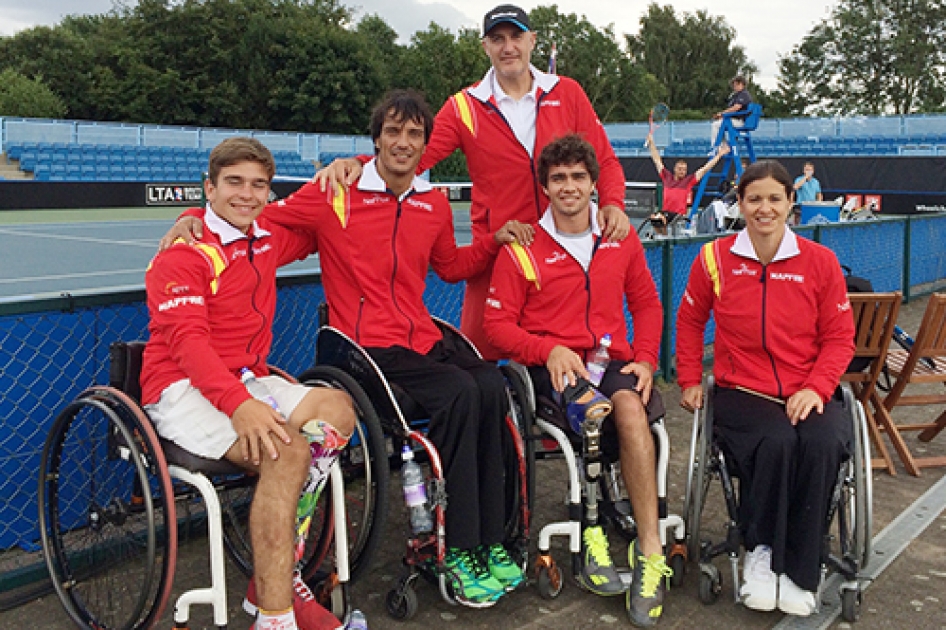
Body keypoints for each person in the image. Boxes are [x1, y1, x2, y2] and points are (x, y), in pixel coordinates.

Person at [160, 90, 532, 608]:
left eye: (414, 134)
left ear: (427, 145)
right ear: (376, 138)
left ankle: (495, 538)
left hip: (421, 336)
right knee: (460, 394)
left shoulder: (434, 202)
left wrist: (498, 242)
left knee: (493, 385)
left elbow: (448, 265)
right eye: (392, 132)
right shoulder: (335, 191)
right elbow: (259, 220)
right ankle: (458, 547)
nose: (403, 143)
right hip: (366, 345)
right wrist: (194, 224)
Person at [314, 3, 630, 360]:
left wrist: (612, 203)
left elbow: (604, 159)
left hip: (561, 246)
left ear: (532, 41)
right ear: (485, 47)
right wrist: (358, 163)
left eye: (516, 37)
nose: (507, 46)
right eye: (497, 39)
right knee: (483, 356)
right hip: (499, 249)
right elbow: (413, 154)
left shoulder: (566, 92)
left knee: (563, 353)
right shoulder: (463, 106)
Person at [141, 137, 357, 630]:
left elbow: (324, 223)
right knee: (287, 453)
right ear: (209, 189)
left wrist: (351, 163)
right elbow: (189, 344)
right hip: (181, 389)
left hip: (245, 380)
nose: (247, 194)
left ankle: (274, 571)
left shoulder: (266, 237)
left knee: (339, 409)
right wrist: (240, 405)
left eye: (259, 184)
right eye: (234, 182)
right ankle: (276, 617)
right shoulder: (184, 252)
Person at [483, 135, 672, 627]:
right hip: (553, 367)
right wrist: (548, 349)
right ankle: (590, 529)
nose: (569, 187)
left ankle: (650, 551)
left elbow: (648, 305)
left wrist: (648, 360)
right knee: (594, 408)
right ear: (545, 186)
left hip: (611, 361)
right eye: (559, 178)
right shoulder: (523, 246)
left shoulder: (619, 236)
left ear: (593, 183)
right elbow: (497, 327)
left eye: (578, 177)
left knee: (630, 407)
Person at [676, 160, 855, 618]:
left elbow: (839, 338)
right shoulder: (714, 259)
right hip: (744, 392)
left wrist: (816, 388)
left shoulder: (821, 262)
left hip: (808, 390)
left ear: (791, 203)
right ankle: (759, 553)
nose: (764, 208)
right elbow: (691, 320)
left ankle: (800, 568)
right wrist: (690, 379)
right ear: (740, 203)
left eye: (775, 198)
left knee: (820, 442)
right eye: (754, 198)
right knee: (774, 441)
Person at [645, 134, 729, 234]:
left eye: (684, 170)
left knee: (660, 220)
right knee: (654, 219)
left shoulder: (689, 181)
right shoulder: (666, 177)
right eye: (680, 169)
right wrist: (651, 143)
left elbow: (705, 169)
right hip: (665, 212)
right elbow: (657, 160)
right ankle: (663, 239)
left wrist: (719, 155)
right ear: (675, 169)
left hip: (678, 214)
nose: (682, 171)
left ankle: (665, 240)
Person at [710, 74, 752, 151]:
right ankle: (724, 145)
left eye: (735, 85)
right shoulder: (736, 95)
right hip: (734, 119)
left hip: (739, 121)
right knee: (719, 124)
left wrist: (722, 113)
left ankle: (716, 148)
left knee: (715, 125)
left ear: (741, 84)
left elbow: (737, 107)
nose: (734, 87)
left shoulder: (744, 94)